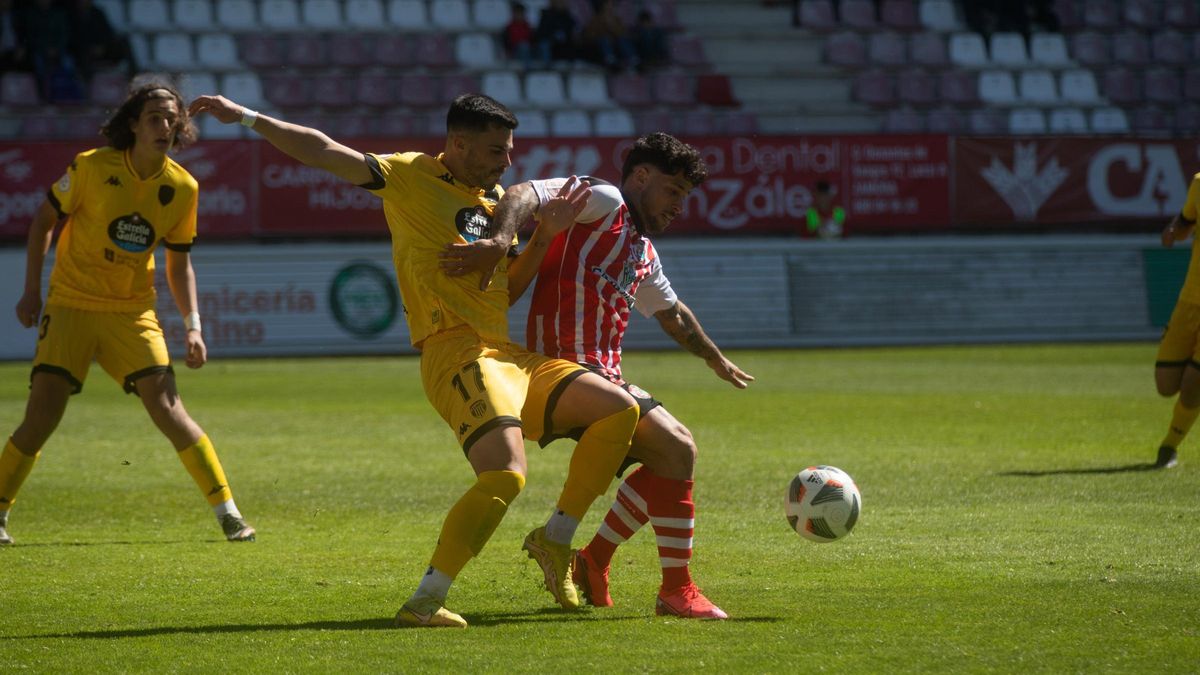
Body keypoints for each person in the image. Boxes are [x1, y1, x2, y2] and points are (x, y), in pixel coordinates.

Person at [187, 92, 640, 628]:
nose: (508, 162)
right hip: (455, 349)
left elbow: (506, 292)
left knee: (617, 409)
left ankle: (554, 539)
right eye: (497, 150)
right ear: (458, 143)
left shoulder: (495, 200)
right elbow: (323, 150)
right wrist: (244, 116)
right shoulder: (408, 176)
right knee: (505, 475)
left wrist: (540, 237)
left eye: (510, 149)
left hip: (509, 356)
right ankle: (424, 602)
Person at [443, 132, 754, 619]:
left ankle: (595, 561)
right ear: (641, 177)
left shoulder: (642, 252)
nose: (678, 206)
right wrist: (501, 237)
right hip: (557, 371)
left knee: (671, 458)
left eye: (685, 198)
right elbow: (526, 192)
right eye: (673, 191)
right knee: (678, 446)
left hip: (601, 378)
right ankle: (664, 586)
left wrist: (713, 357)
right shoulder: (605, 201)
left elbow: (671, 313)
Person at [1, 82, 256, 547]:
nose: (165, 125)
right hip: (71, 304)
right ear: (133, 124)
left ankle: (229, 514)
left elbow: (179, 262)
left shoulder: (182, 187)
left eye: (172, 118)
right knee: (42, 418)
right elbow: (42, 221)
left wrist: (193, 325)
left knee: (169, 410)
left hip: (131, 313)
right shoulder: (92, 167)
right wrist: (30, 290)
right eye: (155, 117)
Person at [1154, 171, 1200, 470]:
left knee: (1194, 385)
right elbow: (1185, 222)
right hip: (1189, 302)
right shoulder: (1199, 183)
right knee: (1166, 384)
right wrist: (1173, 231)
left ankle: (1169, 446)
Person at [67, 0, 137, 81]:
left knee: (123, 42)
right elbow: (73, 39)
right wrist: (90, 48)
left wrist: (102, 46)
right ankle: (87, 82)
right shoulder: (71, 15)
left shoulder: (97, 12)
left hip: (101, 48)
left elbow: (107, 32)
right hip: (82, 51)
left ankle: (134, 75)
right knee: (82, 53)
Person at [580, 0, 637, 72]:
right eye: (608, 5)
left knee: (622, 40)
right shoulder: (597, 19)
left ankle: (633, 60)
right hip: (602, 44)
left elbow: (623, 33)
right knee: (605, 40)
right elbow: (590, 34)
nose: (610, 7)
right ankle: (610, 61)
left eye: (612, 5)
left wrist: (613, 27)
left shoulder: (616, 19)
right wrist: (604, 31)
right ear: (604, 6)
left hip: (616, 43)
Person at [534, 0, 577, 67]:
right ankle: (547, 67)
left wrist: (564, 35)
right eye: (558, 1)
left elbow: (571, 31)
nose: (560, 3)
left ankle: (570, 68)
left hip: (563, 44)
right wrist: (552, 36)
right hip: (550, 43)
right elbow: (540, 33)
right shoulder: (546, 14)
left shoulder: (567, 16)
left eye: (562, 2)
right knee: (544, 45)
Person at [500, 2, 535, 70]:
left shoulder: (528, 27)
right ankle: (528, 68)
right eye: (517, 13)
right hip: (515, 52)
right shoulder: (508, 28)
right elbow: (506, 44)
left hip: (528, 51)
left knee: (525, 46)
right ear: (513, 14)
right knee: (523, 46)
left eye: (521, 13)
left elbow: (533, 42)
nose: (519, 15)